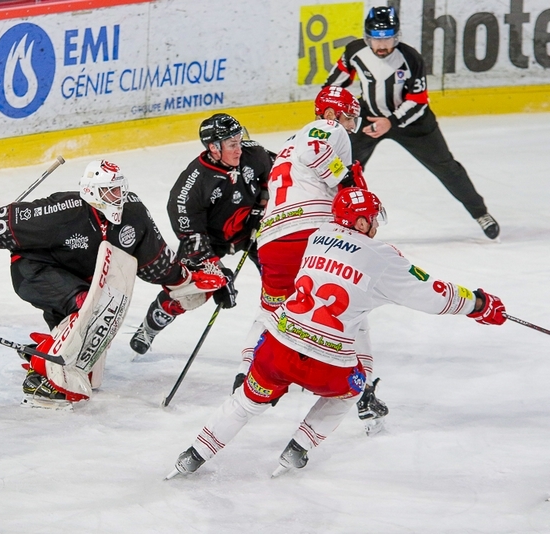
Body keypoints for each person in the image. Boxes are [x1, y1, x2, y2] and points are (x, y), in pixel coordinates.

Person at [167, 187, 506, 479]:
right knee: (352, 389)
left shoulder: (318, 236)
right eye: (372, 218)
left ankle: (193, 455)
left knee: (244, 403)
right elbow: (434, 296)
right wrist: (478, 304)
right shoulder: (383, 257)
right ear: (361, 222)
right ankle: (300, 446)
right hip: (326, 365)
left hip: (276, 348)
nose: (375, 224)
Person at [0, 159, 223, 407]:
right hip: (35, 271)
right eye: (110, 191)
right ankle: (45, 369)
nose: (117, 196)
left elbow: (155, 261)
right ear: (90, 192)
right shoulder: (63, 210)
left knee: (87, 367)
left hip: (81, 281)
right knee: (89, 307)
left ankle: (48, 349)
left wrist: (186, 280)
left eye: (120, 189)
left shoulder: (133, 213)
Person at [235, 85, 389, 435]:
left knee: (272, 308)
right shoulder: (326, 130)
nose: (350, 125)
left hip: (273, 240)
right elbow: (316, 151)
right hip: (313, 233)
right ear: (331, 114)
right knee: (350, 309)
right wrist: (347, 180)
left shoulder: (289, 144)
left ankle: (247, 375)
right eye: (347, 117)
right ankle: (363, 394)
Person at [324, 6, 500, 240]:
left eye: (388, 38)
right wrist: (334, 109)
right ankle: (342, 223)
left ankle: (481, 213)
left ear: (396, 36)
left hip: (413, 123)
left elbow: (418, 101)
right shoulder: (354, 51)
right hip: (367, 118)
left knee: (447, 167)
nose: (382, 45)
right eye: (377, 39)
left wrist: (391, 122)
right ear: (367, 38)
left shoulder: (410, 58)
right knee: (345, 170)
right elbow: (332, 87)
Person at [129, 113, 274, 354]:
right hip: (209, 242)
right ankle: (149, 328)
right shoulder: (189, 191)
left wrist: (263, 203)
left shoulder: (253, 154)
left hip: (251, 229)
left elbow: (278, 173)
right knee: (191, 290)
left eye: (239, 140)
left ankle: (286, 335)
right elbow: (194, 240)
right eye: (232, 144)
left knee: (280, 275)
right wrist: (218, 273)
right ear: (214, 148)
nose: (240, 149)